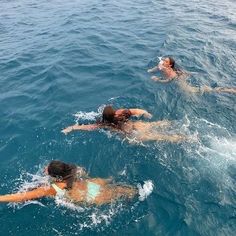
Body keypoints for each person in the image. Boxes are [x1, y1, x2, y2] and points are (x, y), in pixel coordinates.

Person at [0, 160, 136, 204]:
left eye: (47, 169)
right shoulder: (73, 170)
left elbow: (21, 197)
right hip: (93, 184)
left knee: (130, 194)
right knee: (122, 190)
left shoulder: (53, 188)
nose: (45, 169)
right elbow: (83, 173)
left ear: (56, 176)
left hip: (91, 197)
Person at [62, 105, 192, 143]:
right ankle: (176, 123)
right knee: (158, 124)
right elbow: (137, 111)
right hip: (136, 126)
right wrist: (146, 113)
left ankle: (185, 139)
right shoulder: (122, 112)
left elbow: (86, 127)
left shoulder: (104, 124)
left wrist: (71, 128)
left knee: (160, 137)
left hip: (130, 135)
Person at [148, 57, 236, 94]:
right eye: (163, 60)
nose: (163, 61)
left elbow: (168, 80)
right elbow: (157, 68)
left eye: (166, 61)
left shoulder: (171, 72)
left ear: (170, 65)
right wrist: (151, 70)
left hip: (180, 82)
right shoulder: (162, 66)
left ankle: (229, 90)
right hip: (180, 74)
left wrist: (157, 80)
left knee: (196, 91)